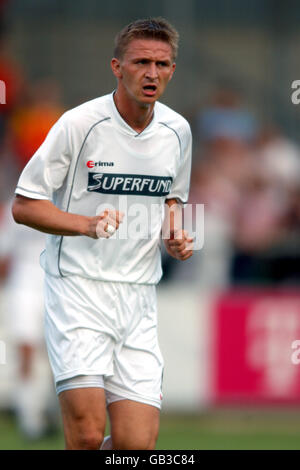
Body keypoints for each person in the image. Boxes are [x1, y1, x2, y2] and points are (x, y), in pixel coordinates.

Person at [11, 17, 193, 450]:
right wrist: (86, 225)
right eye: (141, 62)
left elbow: (173, 199)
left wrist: (177, 236)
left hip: (138, 298)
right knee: (88, 435)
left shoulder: (178, 131)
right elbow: (24, 204)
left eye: (162, 64)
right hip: (77, 291)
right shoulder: (79, 124)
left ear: (172, 70)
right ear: (117, 66)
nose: (152, 73)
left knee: (135, 447)